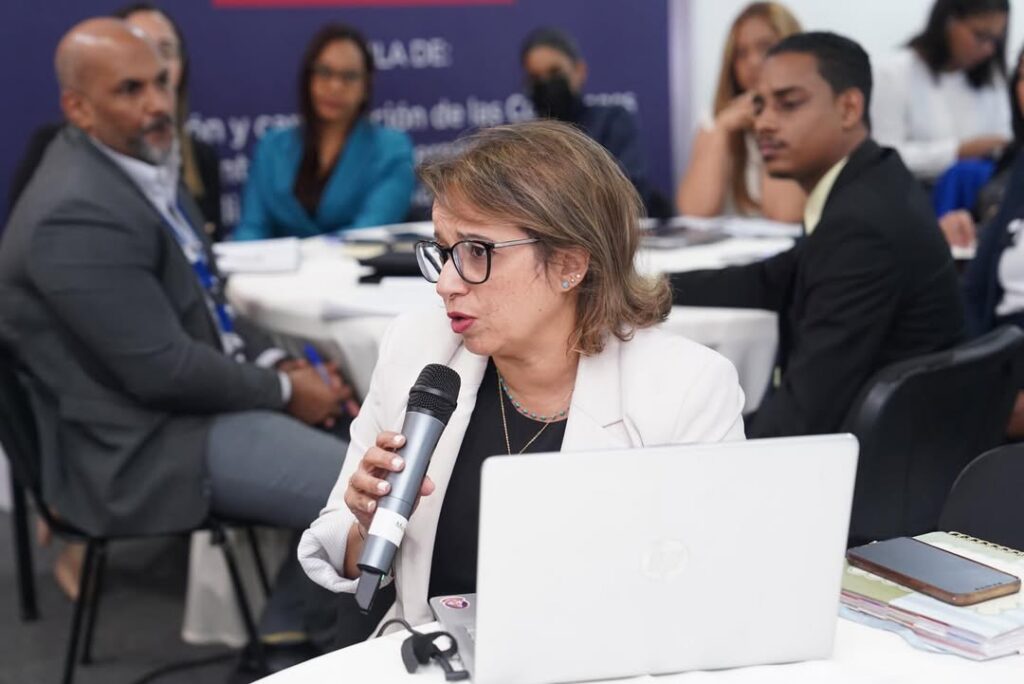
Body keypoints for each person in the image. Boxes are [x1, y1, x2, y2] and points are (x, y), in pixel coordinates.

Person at [0, 18, 361, 671]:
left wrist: (282, 361)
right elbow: (161, 371)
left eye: (160, 82)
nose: (157, 103)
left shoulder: (141, 168)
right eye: (129, 90)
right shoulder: (75, 211)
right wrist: (287, 389)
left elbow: (210, 306)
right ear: (78, 108)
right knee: (367, 495)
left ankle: (286, 636)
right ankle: (300, 652)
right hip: (139, 445)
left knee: (369, 444)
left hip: (181, 411)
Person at [298, 120, 746, 629]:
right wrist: (366, 525)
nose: (446, 284)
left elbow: (709, 590)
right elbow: (344, 551)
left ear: (570, 265)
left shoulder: (686, 389)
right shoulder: (418, 348)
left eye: (476, 252)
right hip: (433, 655)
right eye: (444, 251)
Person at [671, 32, 966, 438]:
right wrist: (650, 289)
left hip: (877, 460)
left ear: (848, 108)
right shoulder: (871, 180)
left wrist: (698, 456)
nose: (764, 122)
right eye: (759, 105)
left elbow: (803, 415)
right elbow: (774, 278)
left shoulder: (862, 224)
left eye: (788, 103)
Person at [7, 3, 224, 240]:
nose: (150, 59)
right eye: (131, 88)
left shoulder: (197, 157)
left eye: (164, 50)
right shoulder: (59, 161)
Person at [234, 23, 414, 240]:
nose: (335, 86)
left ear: (366, 87)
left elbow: (371, 230)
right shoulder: (271, 147)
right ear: (308, 78)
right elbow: (251, 228)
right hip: (275, 263)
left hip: (355, 260)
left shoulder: (393, 150)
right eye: (325, 72)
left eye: (349, 76)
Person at [676, 2, 805, 221]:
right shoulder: (716, 119)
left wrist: (767, 120)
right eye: (741, 53)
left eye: (765, 47)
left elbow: (785, 214)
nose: (753, 62)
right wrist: (721, 129)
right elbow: (695, 213)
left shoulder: (810, 117)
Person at [520, 27, 657, 214]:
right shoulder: (527, 140)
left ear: (579, 71)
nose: (546, 83)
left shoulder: (611, 121)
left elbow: (630, 189)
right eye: (535, 78)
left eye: (555, 72)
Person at [872, 0, 1011, 181]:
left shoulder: (993, 82)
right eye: (980, 36)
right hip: (912, 191)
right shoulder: (893, 72)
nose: (988, 49)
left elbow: (1004, 139)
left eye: (996, 40)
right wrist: (957, 151)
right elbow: (883, 155)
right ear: (948, 21)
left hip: (980, 191)